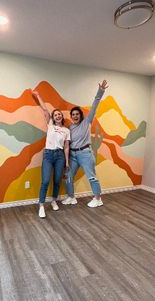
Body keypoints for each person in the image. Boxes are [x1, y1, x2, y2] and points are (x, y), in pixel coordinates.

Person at [62, 80, 108, 208]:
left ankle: (98, 198)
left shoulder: (87, 122)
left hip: (85, 153)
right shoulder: (70, 127)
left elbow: (94, 105)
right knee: (69, 177)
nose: (75, 116)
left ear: (81, 115)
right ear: (71, 116)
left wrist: (101, 91)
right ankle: (71, 197)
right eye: (73, 114)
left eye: (77, 114)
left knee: (91, 177)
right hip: (73, 155)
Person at [32, 90, 70, 218]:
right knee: (46, 180)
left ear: (62, 117)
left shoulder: (66, 130)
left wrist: (67, 162)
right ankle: (41, 205)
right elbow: (44, 109)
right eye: (55, 115)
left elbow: (66, 147)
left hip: (60, 156)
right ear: (53, 117)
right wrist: (38, 95)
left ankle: (54, 200)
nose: (58, 116)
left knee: (57, 180)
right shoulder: (50, 125)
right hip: (48, 155)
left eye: (59, 114)